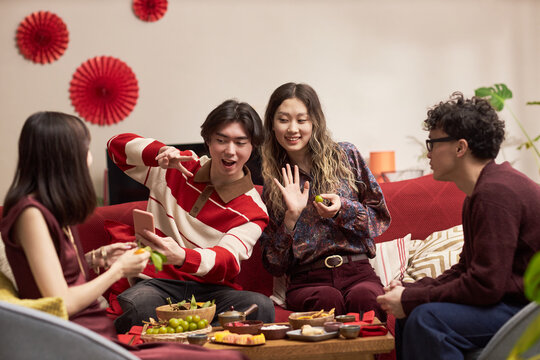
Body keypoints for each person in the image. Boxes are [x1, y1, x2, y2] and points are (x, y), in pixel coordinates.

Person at [0, 111, 249, 360]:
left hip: (93, 334)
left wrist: (94, 259)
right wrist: (117, 270)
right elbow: (61, 303)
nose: (88, 157)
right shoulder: (31, 214)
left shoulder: (46, 210)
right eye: (84, 148)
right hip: (81, 341)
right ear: (63, 156)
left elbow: (52, 275)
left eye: (240, 142)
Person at [376, 93, 540, 360]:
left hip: (530, 310)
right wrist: (410, 290)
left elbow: (485, 286)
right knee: (411, 315)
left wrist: (411, 299)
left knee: (426, 320)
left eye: (433, 143)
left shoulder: (496, 194)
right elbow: (467, 269)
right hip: (513, 303)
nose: (427, 153)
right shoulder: (481, 192)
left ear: (460, 148)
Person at [108, 99, 275, 334]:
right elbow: (116, 147)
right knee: (138, 305)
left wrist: (182, 256)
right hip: (156, 284)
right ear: (207, 141)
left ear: (252, 147)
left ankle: (194, 340)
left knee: (261, 307)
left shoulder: (254, 210)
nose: (230, 150)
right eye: (221, 140)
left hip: (212, 292)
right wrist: (161, 152)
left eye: (240, 143)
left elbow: (227, 259)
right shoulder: (176, 166)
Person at [259, 82, 391, 320]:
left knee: (366, 297)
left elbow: (379, 220)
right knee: (326, 301)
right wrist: (290, 219)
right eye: (283, 119)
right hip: (307, 280)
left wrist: (344, 209)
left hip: (358, 271)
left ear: (314, 122)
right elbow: (273, 264)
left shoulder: (346, 156)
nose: (292, 128)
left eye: (302, 120)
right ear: (272, 124)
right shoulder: (273, 184)